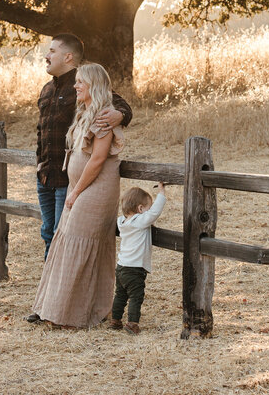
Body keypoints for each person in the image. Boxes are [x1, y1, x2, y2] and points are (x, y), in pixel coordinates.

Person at [30, 62, 126, 328]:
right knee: (67, 244)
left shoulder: (105, 116)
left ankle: (78, 314)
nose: (76, 86)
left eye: (81, 82)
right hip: (80, 187)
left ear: (93, 84)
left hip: (95, 191)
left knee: (80, 247)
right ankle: (59, 311)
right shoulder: (84, 112)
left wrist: (75, 192)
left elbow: (96, 161)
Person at [32, 34, 130, 259]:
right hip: (45, 174)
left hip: (67, 178)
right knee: (48, 233)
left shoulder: (84, 83)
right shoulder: (47, 89)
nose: (47, 56)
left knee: (61, 234)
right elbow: (41, 131)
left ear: (67, 56)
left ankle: (57, 288)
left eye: (52, 51)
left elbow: (117, 103)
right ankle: (51, 285)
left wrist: (120, 114)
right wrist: (39, 166)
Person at [109, 183, 166, 334]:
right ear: (140, 209)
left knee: (120, 295)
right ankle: (132, 323)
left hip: (121, 267)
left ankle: (115, 320)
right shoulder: (139, 222)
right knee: (136, 296)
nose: (148, 211)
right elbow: (155, 213)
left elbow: (150, 213)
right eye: (147, 207)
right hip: (134, 269)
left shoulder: (122, 222)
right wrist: (162, 192)